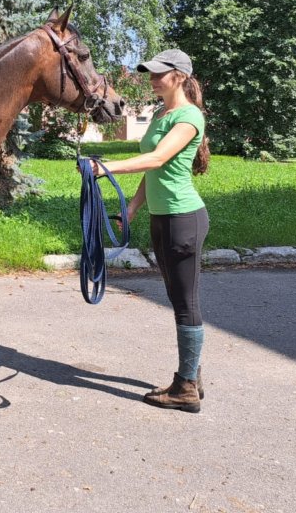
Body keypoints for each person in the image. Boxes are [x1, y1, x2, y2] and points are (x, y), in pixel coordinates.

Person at [82, 48, 210, 413]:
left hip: (183, 218)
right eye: (150, 73)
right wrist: (132, 209)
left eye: (159, 73)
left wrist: (104, 169)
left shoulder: (188, 116)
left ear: (180, 77)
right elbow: (153, 172)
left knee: (185, 303)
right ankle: (193, 375)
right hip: (162, 217)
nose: (152, 78)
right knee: (177, 298)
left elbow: (157, 158)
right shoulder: (161, 114)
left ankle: (185, 387)